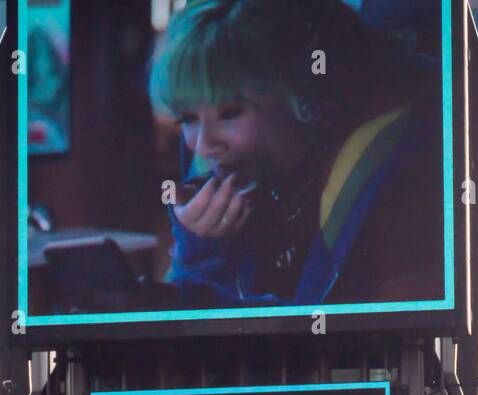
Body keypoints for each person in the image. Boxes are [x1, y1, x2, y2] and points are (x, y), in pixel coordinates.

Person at [147, 0, 444, 308]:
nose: (204, 146)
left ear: (301, 95)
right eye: (187, 119)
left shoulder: (395, 175)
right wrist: (201, 252)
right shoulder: (221, 170)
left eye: (230, 113)